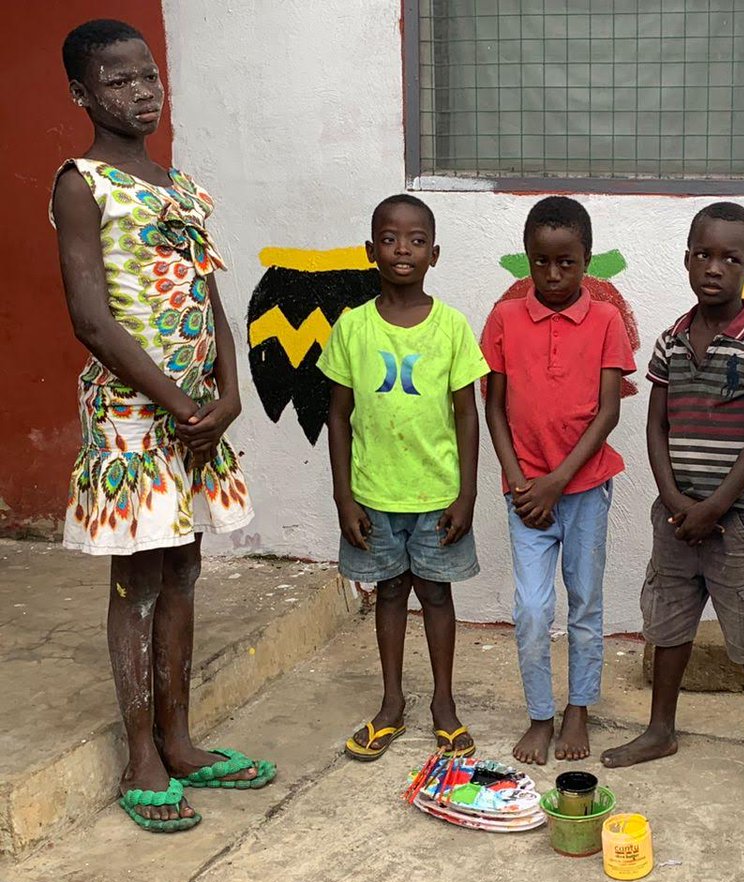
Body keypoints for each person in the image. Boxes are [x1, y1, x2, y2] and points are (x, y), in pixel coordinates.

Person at [52, 19, 271, 832]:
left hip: (198, 415)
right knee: (135, 580)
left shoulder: (178, 187)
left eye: (148, 75)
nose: (141, 91)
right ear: (81, 94)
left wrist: (228, 388)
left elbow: (209, 294)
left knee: (183, 568)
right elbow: (91, 320)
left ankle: (181, 740)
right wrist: (178, 406)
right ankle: (142, 751)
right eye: (117, 81)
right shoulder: (82, 184)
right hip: (135, 419)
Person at [600, 202, 744, 798]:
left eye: (731, 258)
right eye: (704, 254)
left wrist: (713, 507)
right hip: (676, 518)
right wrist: (675, 499)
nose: (715, 267)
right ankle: (660, 729)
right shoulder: (669, 342)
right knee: (669, 622)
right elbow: (655, 427)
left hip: (731, 521)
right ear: (687, 259)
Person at [318, 194, 489, 762]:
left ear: (434, 253)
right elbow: (337, 415)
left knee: (436, 596)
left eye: (416, 241)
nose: (402, 250)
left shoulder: (452, 328)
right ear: (371, 251)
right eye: (390, 239)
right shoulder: (352, 328)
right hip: (373, 493)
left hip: (437, 495)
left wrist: (466, 495)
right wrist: (344, 495)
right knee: (389, 592)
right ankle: (391, 703)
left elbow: (468, 414)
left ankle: (444, 704)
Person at [483, 196, 635, 765]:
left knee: (585, 603)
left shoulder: (604, 320)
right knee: (530, 607)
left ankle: (580, 709)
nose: (552, 275)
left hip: (585, 488)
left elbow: (608, 412)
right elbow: (495, 407)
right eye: (540, 262)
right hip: (524, 496)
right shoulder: (504, 319)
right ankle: (540, 715)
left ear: (586, 260)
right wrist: (523, 481)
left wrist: (559, 481)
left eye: (566, 263)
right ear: (527, 259)